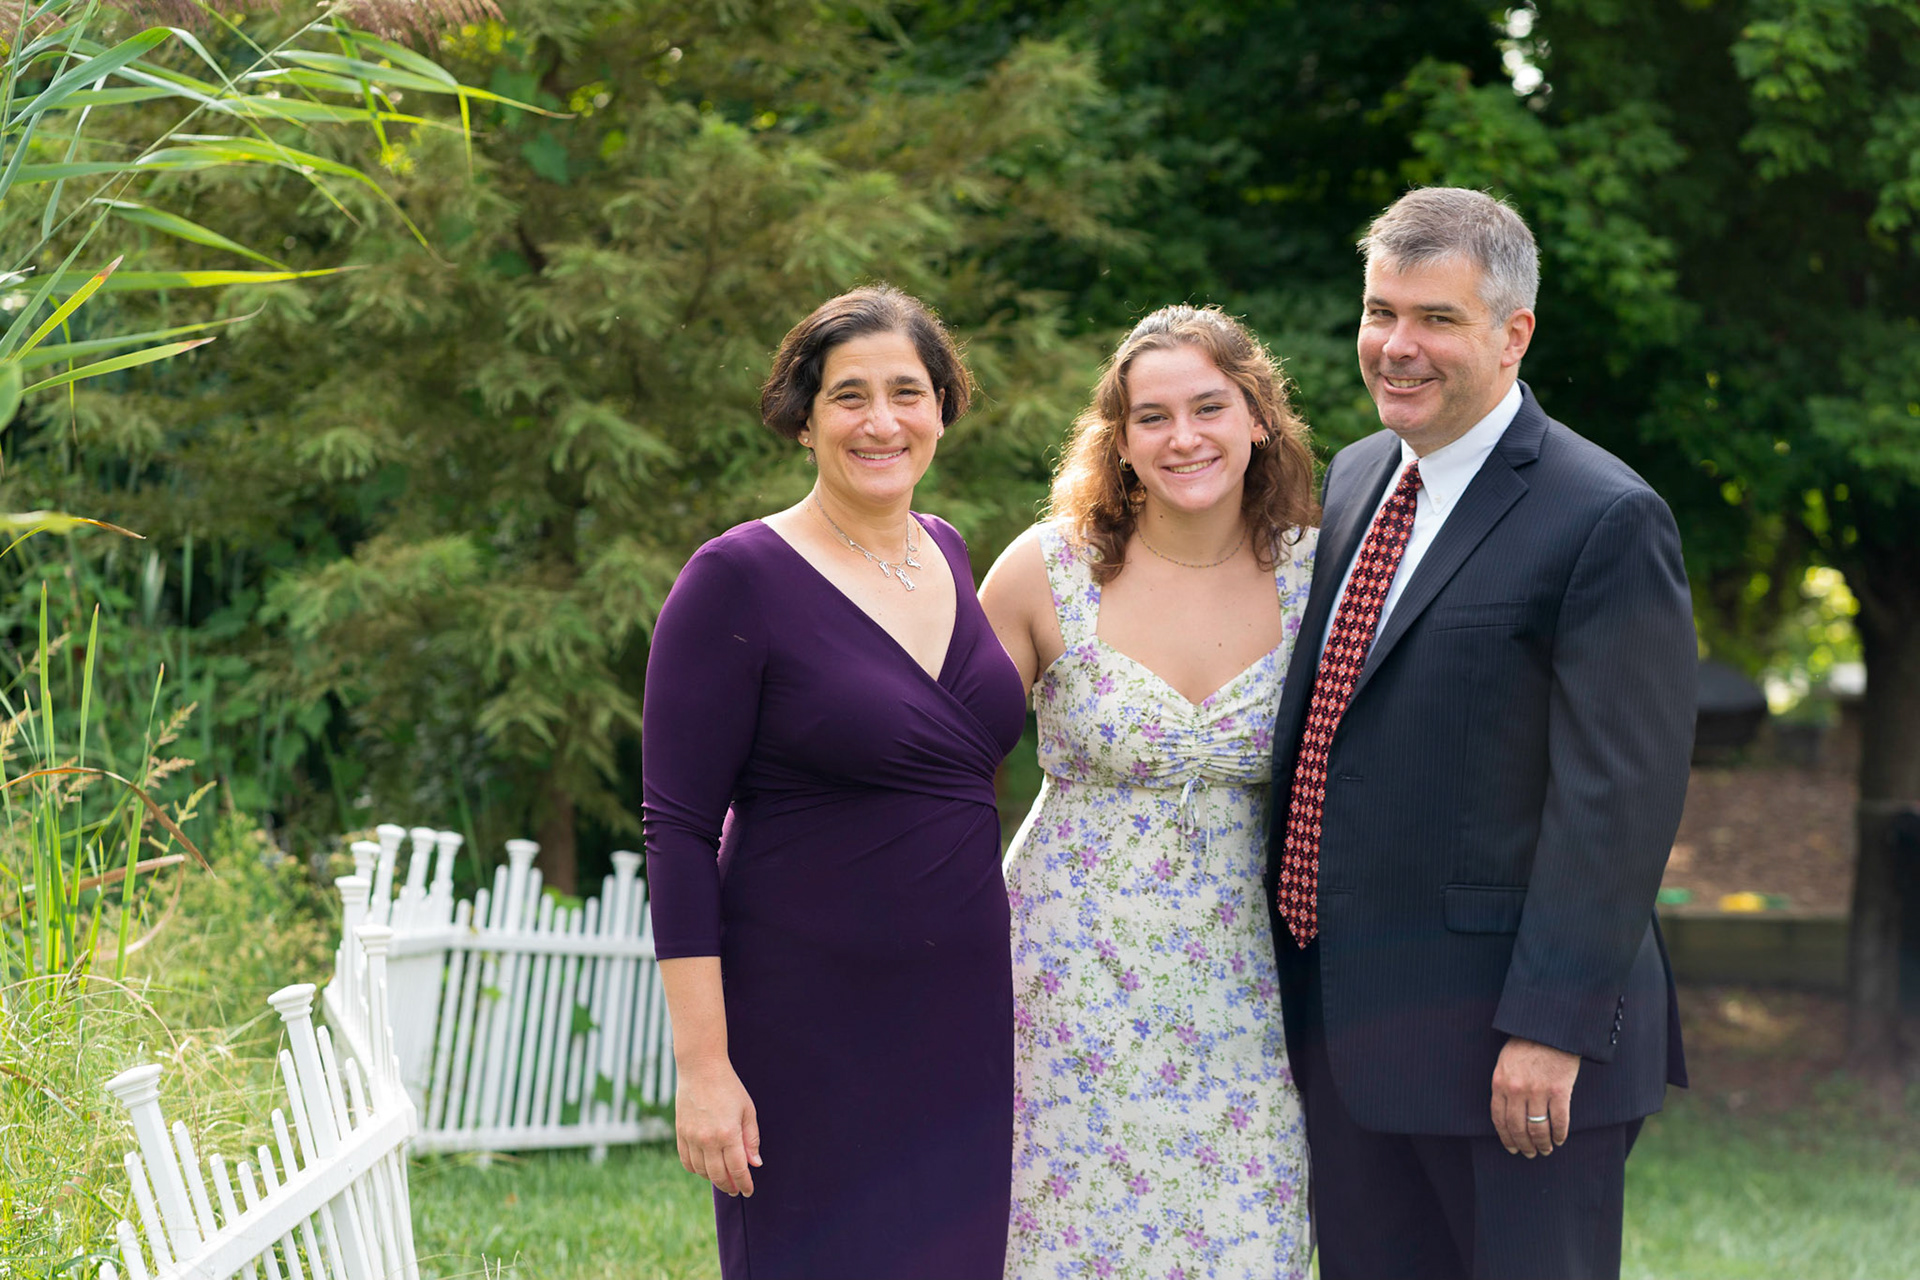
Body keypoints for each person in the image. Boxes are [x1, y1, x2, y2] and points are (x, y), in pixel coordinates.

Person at [1265, 187, 1695, 1280]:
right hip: (1352, 1035)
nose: (1397, 346)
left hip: (1513, 1052)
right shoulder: (1357, 477)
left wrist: (1551, 1025)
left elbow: (1619, 796)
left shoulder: (1604, 516)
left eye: (1437, 319)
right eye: (1380, 312)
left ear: (1514, 335)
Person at [641, 285, 1028, 1280]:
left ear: (942, 407)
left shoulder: (947, 550)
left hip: (960, 1010)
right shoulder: (736, 577)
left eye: (908, 392)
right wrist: (703, 1067)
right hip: (808, 1020)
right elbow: (677, 830)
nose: (881, 421)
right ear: (803, 418)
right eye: (850, 395)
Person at [981, 305, 1319, 1280]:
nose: (1184, 437)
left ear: (1258, 417)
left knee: (1247, 1235)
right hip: (1066, 974)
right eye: (1152, 416)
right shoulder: (1046, 570)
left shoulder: (1320, 574)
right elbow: (937, 764)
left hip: (1256, 978)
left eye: (1209, 407)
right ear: (1119, 440)